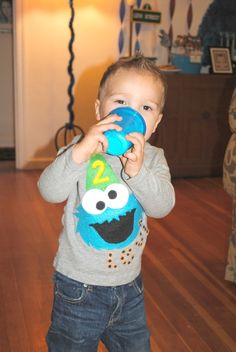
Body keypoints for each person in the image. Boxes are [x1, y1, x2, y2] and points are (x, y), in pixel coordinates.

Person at [38, 53, 175, 352]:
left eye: (146, 107)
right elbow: (49, 191)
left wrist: (137, 173)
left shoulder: (152, 159)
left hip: (130, 288)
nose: (132, 114)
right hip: (78, 288)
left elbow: (162, 206)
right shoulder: (81, 150)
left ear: (155, 122)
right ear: (100, 109)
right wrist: (79, 153)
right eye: (121, 102)